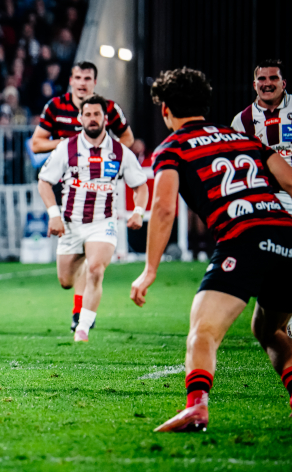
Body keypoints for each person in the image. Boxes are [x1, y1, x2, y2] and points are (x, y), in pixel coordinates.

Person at [130, 67, 292, 432]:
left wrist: (150, 269)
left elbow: (164, 207)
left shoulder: (172, 147)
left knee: (203, 331)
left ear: (165, 110)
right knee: (269, 332)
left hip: (244, 239)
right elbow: (290, 180)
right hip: (285, 234)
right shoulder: (244, 139)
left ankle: (196, 408)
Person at [30, 60, 135, 332]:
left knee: (94, 262)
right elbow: (36, 143)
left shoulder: (109, 108)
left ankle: (81, 314)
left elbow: (128, 139)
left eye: (87, 78)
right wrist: (69, 146)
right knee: (66, 278)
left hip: (99, 188)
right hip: (66, 183)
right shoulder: (55, 107)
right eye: (77, 77)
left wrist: (104, 158)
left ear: (94, 82)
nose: (82, 83)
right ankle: (84, 282)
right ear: (71, 80)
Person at [231, 60, 292, 212]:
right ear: (254, 85)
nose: (267, 83)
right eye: (262, 79)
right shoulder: (242, 120)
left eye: (273, 78)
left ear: (283, 83)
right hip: (264, 200)